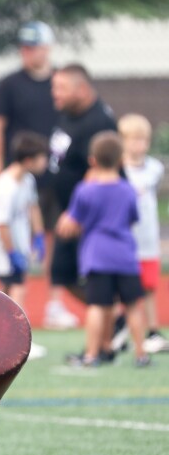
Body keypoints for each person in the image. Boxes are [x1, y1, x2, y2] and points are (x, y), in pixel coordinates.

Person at [0, 22, 77, 330]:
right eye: (24, 47)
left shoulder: (60, 81)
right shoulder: (9, 84)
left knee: (52, 237)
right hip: (21, 176)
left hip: (54, 175)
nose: (28, 52)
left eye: (34, 46)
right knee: (12, 235)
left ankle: (54, 303)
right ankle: (9, 309)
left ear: (47, 48)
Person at [56, 131, 149, 367]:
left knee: (97, 306)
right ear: (120, 160)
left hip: (97, 256)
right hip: (125, 256)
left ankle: (91, 354)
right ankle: (141, 355)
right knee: (132, 306)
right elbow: (131, 219)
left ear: (92, 161)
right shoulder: (128, 190)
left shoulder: (85, 190)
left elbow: (73, 223)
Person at [48, 64, 117, 315]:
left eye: (62, 88)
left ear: (82, 89)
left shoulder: (99, 120)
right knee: (63, 273)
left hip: (88, 215)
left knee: (94, 275)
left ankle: (115, 322)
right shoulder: (68, 112)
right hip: (69, 210)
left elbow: (98, 170)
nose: (55, 93)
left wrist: (77, 212)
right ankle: (114, 321)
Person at [0, 132, 49, 360]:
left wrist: (39, 236)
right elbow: (1, 224)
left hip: (20, 244)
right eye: (42, 157)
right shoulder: (6, 186)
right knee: (16, 292)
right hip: (5, 247)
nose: (46, 162)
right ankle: (19, 344)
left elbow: (33, 208)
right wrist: (12, 253)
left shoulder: (28, 180)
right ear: (29, 160)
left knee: (4, 294)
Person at [117, 114, 168, 354]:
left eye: (143, 139)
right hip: (125, 242)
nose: (139, 145)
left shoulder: (153, 168)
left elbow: (143, 186)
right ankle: (121, 331)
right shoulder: (117, 169)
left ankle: (153, 331)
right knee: (123, 289)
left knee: (148, 286)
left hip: (147, 240)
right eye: (134, 139)